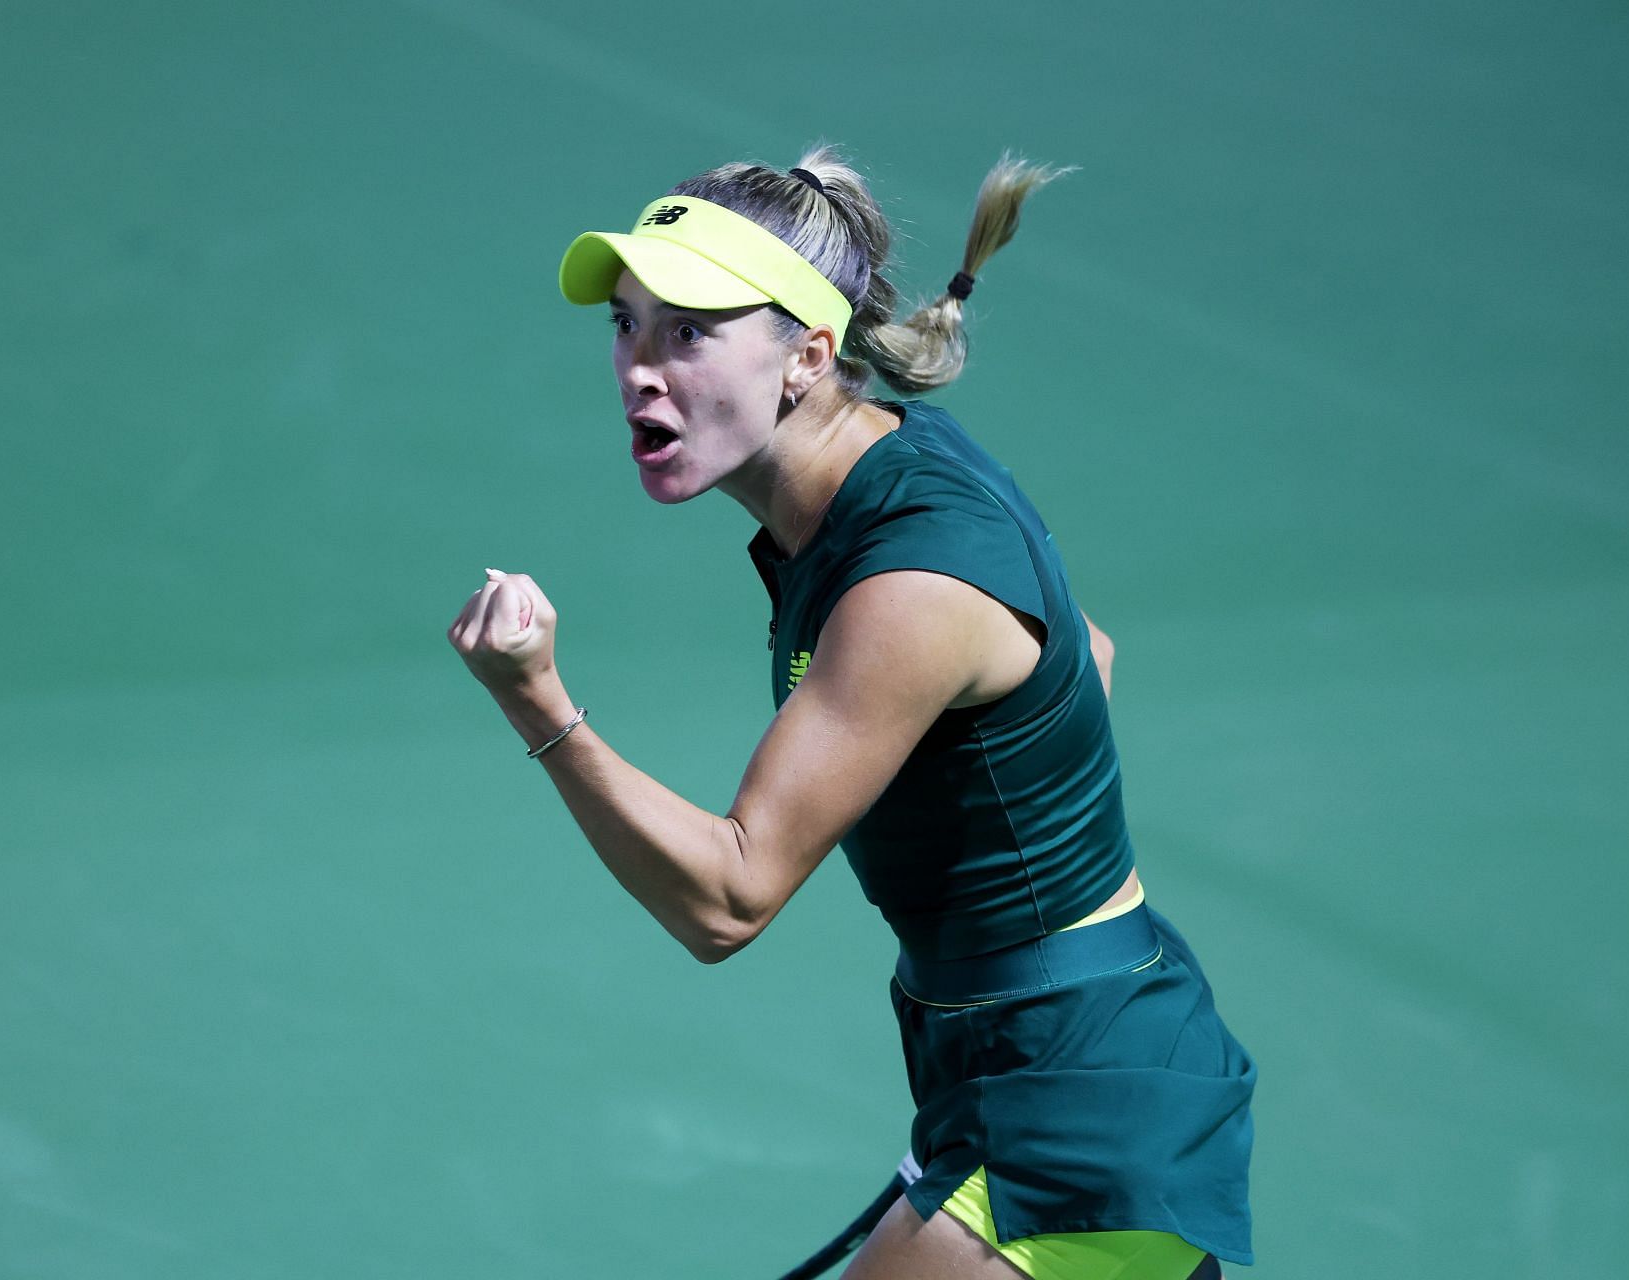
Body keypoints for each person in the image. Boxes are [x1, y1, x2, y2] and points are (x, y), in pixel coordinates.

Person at [446, 146, 1255, 1279]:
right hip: (1038, 1044)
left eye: (690, 332)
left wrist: (537, 701)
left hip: (1072, 1089)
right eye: (627, 324)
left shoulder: (905, 581)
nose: (639, 367)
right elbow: (1089, 651)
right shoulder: (883, 476)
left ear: (807, 357)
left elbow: (728, 898)